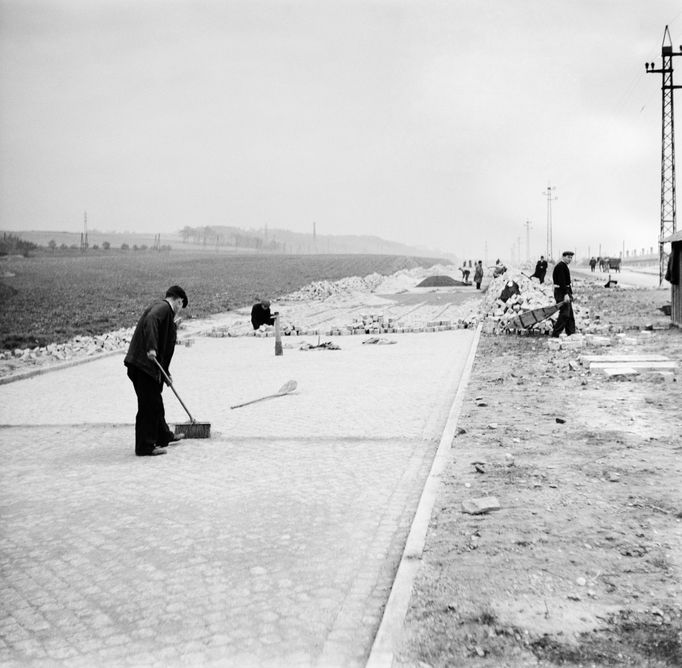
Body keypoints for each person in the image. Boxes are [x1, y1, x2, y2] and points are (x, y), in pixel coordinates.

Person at [124, 286, 188, 456]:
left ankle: (163, 436)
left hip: (149, 367)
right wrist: (151, 348)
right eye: (181, 305)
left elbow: (165, 348)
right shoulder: (163, 308)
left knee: (155, 403)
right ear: (178, 300)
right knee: (149, 405)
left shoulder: (166, 314)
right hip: (142, 365)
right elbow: (151, 320)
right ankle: (145, 446)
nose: (179, 309)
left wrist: (165, 374)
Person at [551, 251, 576, 337]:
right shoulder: (560, 266)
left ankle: (571, 333)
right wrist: (566, 294)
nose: (570, 259)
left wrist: (569, 293)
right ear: (563, 257)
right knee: (565, 313)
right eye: (568, 257)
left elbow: (566, 283)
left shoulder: (564, 266)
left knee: (570, 314)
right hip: (560, 292)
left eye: (571, 258)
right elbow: (562, 282)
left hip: (565, 291)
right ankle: (555, 333)